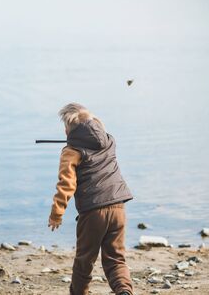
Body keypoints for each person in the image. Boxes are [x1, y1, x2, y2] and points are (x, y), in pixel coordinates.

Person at [48, 103, 134, 295]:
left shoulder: (71, 152)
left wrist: (56, 213)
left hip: (93, 212)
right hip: (118, 207)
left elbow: (66, 184)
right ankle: (124, 291)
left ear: (66, 131)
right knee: (116, 258)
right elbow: (95, 134)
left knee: (84, 261)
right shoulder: (110, 141)